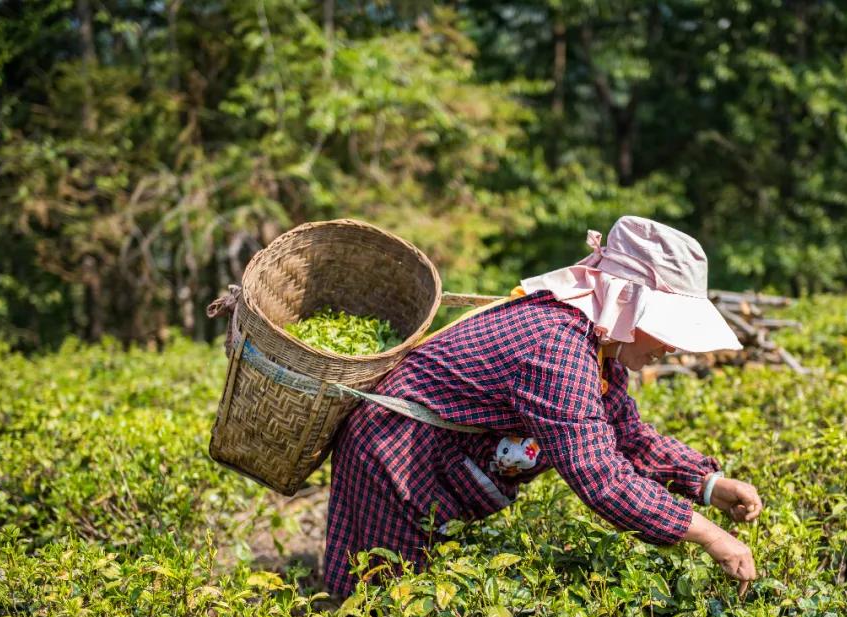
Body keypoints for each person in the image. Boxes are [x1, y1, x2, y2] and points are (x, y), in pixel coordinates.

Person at [324, 216, 763, 597]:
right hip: (394, 458)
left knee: (414, 602)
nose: (671, 347)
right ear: (628, 304)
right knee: (384, 612)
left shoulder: (598, 350)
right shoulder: (558, 348)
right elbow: (600, 475)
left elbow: (626, 437)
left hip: (431, 459)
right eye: (666, 328)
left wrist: (707, 484)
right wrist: (707, 535)